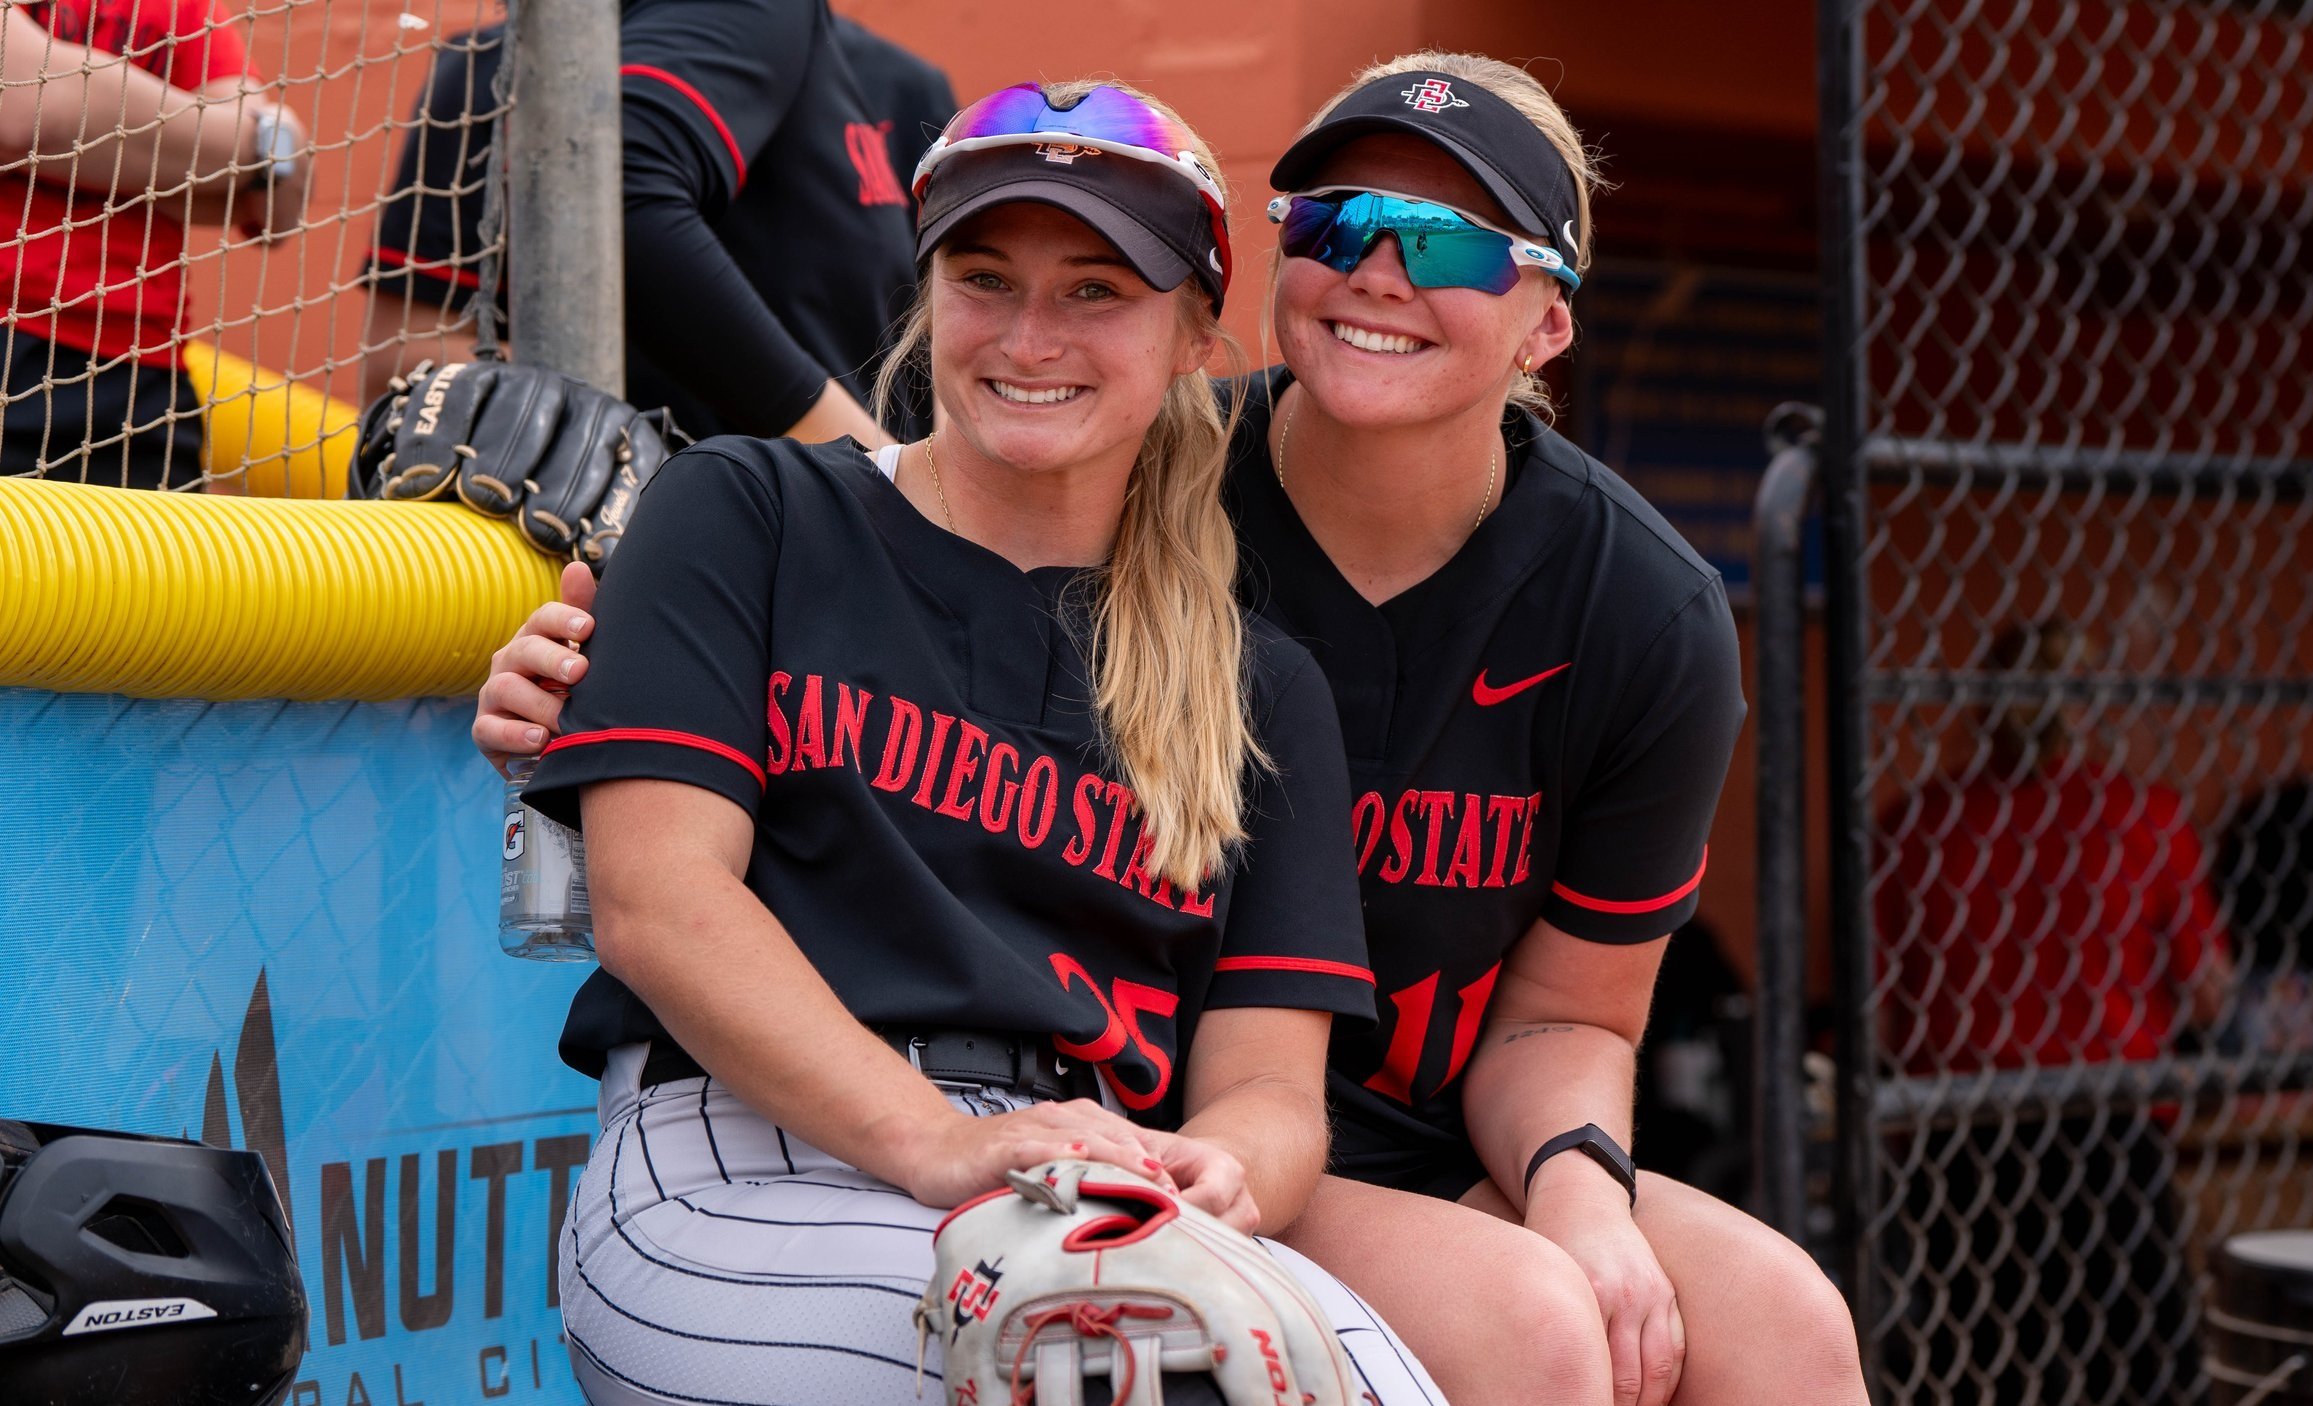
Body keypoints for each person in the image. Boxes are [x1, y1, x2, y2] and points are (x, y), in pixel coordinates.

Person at [480, 54, 1870, 1406]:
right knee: (1321, 1353)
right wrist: (595, 684)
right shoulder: (915, 490)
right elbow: (673, 875)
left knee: (1766, 1329)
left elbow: (1539, 1022)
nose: (1038, 339)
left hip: (1247, 1146)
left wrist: (1572, 1201)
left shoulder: (1518, 623)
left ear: (1547, 320)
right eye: (1335, 225)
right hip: (885, 1138)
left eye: (1447, 246)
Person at [516, 78, 1444, 1405]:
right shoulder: (751, 510)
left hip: (1083, 1168)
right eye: (986, 275)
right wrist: (927, 1138)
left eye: (1096, 290)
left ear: (1194, 334)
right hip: (738, 1155)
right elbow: (657, 903)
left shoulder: (1256, 682)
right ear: (929, 293)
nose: (1029, 333)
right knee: (1116, 1370)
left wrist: (1222, 1163)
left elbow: (1272, 1092)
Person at [1873, 616, 2232, 1404]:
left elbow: (1880, 997)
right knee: (2139, 1364)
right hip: (2109, 1127)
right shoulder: (2146, 814)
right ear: (2086, 707)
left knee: (1981, 1353)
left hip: (1960, 1131)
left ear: (1980, 705)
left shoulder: (1918, 824)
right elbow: (2208, 987)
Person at [358, 0, 949, 443]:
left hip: (866, 549)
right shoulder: (485, 74)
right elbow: (398, 366)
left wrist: (905, 493)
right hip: (632, 559)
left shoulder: (900, 86)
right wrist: (589, 402)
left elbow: (945, 338)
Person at [2, 0, 309, 487]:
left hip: (141, 371)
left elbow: (270, 202)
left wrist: (81, 122)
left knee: (145, 561)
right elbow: (18, 109)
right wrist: (237, 144)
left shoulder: (180, 7)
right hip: (11, 330)